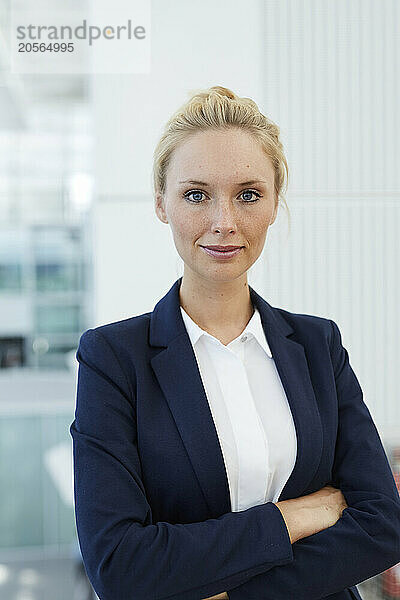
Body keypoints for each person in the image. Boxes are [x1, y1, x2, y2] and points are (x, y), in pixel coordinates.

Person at [70, 85, 400, 600]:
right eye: (196, 195)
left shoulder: (318, 345)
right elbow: (119, 566)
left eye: (248, 194)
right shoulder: (113, 359)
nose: (224, 223)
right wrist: (291, 517)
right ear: (162, 204)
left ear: (273, 205)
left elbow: (382, 525)